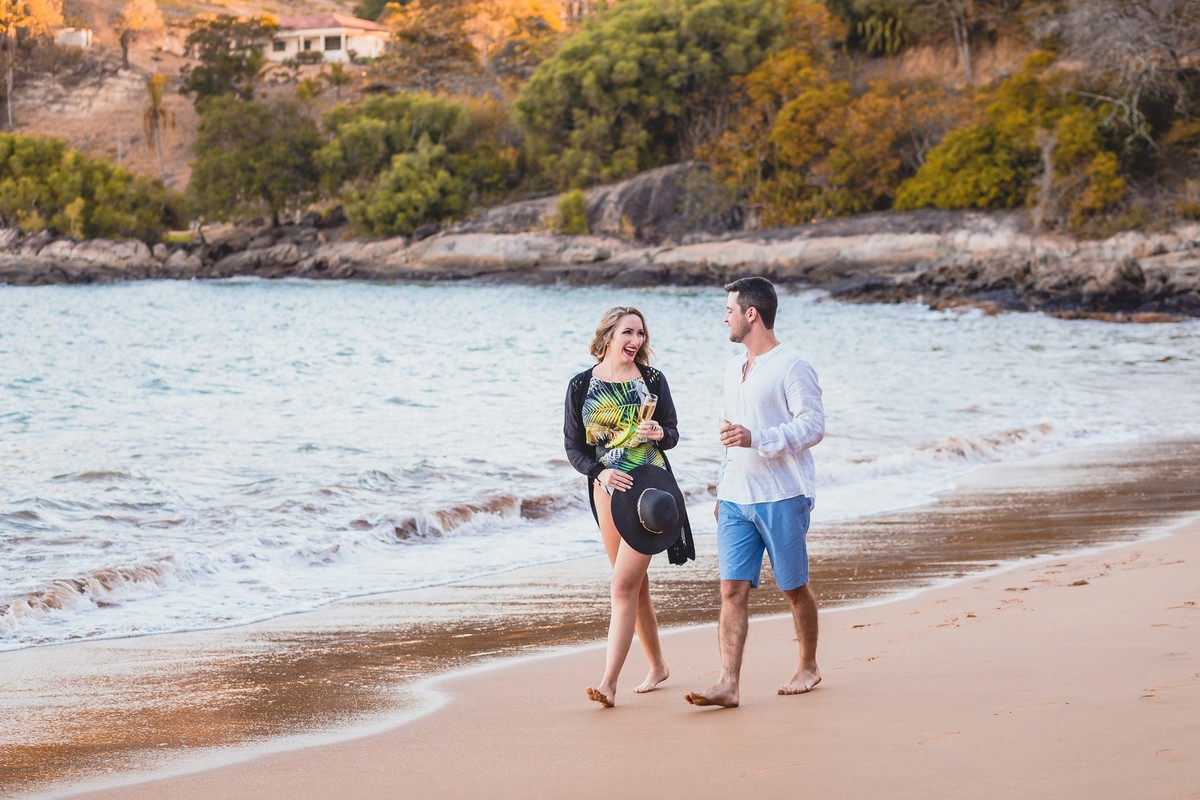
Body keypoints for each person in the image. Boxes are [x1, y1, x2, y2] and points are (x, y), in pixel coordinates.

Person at [685, 276, 825, 709]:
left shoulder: (792, 365)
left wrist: (758, 438)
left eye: (729, 310)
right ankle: (728, 683)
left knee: (793, 587)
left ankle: (808, 666)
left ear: (752, 314)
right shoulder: (733, 368)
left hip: (783, 494)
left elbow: (813, 426)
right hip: (736, 499)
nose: (724, 318)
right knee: (731, 589)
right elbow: (730, 435)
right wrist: (722, 489)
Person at [564, 306, 694, 708]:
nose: (636, 340)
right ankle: (658, 666)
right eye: (628, 332)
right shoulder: (581, 385)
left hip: (650, 492)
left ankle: (608, 683)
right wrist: (600, 473)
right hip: (606, 490)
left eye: (640, 334)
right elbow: (574, 447)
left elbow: (672, 434)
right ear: (608, 336)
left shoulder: (652, 380)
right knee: (635, 587)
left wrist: (659, 432)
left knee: (622, 586)